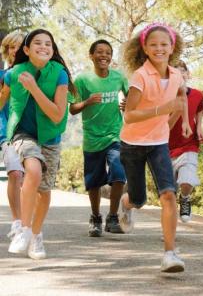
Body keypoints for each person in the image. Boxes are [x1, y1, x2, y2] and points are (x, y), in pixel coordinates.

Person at [119, 22, 192, 273]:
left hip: (159, 143)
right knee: (139, 198)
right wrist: (161, 110)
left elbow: (179, 99)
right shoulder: (140, 76)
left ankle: (170, 254)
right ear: (145, 48)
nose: (159, 48)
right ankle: (126, 204)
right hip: (132, 143)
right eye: (153, 45)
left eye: (164, 44)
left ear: (172, 47)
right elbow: (129, 115)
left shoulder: (176, 75)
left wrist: (178, 125)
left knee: (168, 194)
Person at [0, 28, 76, 259]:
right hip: (23, 134)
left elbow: (56, 114)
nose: (44, 47)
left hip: (51, 137)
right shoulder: (13, 74)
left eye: (48, 44)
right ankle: (23, 229)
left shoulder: (60, 74)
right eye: (37, 43)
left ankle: (36, 235)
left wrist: (33, 87)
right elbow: (3, 98)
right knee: (31, 169)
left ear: (53, 50)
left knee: (44, 191)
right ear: (26, 49)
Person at [69, 39, 128, 237]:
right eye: (100, 52)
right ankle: (95, 217)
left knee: (119, 173)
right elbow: (72, 109)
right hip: (92, 138)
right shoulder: (82, 80)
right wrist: (87, 102)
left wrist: (128, 105)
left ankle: (112, 217)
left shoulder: (119, 77)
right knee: (94, 182)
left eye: (108, 52)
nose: (104, 55)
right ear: (91, 56)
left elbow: (134, 99)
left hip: (115, 135)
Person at [168, 60, 203, 222]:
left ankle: (185, 198)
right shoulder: (165, 96)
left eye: (182, 71)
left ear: (187, 74)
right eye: (174, 72)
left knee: (187, 179)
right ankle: (169, 225)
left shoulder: (197, 95)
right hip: (165, 147)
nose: (179, 74)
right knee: (168, 190)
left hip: (189, 144)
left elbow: (199, 111)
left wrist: (199, 129)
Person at [0, 31, 25, 239]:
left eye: (19, 46)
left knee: (30, 180)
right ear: (7, 51)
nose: (15, 50)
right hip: (7, 133)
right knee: (15, 174)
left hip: (33, 134)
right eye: (11, 47)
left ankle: (26, 221)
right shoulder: (3, 77)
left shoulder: (36, 74)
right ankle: (17, 222)